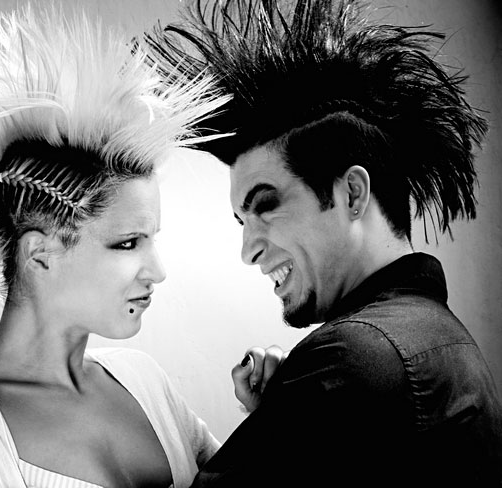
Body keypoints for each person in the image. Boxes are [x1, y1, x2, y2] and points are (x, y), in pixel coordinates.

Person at [0, 6, 272, 488]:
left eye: (151, 240)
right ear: (39, 255)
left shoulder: (145, 381)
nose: (157, 270)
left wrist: (271, 422)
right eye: (127, 243)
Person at [143, 0, 502, 485]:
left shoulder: (357, 358)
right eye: (241, 221)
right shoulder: (439, 339)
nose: (248, 251)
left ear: (351, 193)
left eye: (266, 205)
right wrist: (288, 417)